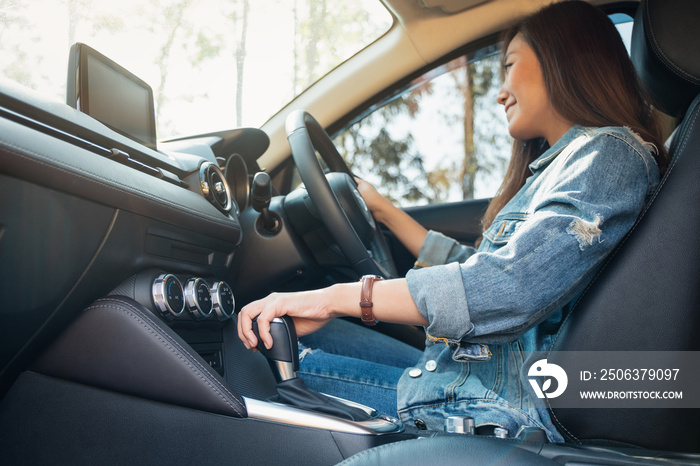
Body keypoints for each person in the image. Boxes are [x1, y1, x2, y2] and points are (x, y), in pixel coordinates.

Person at [238, 0, 668, 441]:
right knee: (299, 337)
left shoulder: (609, 154)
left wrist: (333, 298)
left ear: (564, 60)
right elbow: (492, 268)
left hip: (496, 405)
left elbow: (510, 286)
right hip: (475, 376)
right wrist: (385, 212)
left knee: (250, 357)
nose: (500, 91)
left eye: (510, 65)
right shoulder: (570, 165)